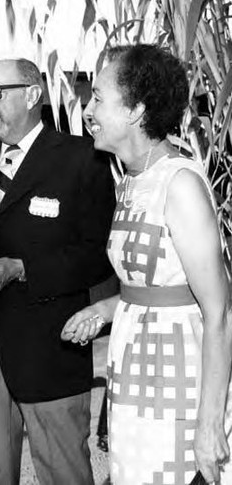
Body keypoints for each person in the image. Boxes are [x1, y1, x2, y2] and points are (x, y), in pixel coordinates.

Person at [61, 44, 232, 485]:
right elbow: (160, 286)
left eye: (98, 97)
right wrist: (104, 310)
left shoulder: (180, 185)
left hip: (179, 389)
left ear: (136, 109)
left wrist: (209, 424)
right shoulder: (133, 181)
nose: (88, 109)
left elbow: (220, 311)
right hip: (134, 382)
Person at [0, 58, 116, 484]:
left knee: (64, 474)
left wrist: (24, 269)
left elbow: (100, 254)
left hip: (51, 354)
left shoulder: (82, 160)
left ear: (33, 94)